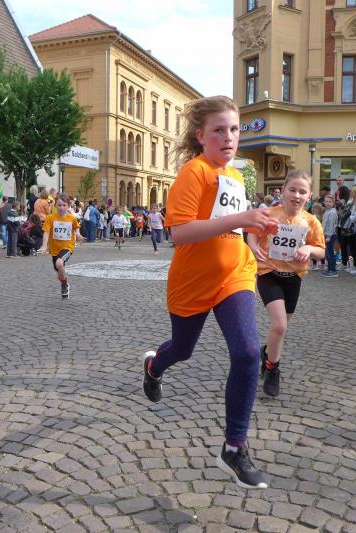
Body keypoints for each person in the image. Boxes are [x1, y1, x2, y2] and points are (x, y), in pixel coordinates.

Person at [140, 96, 277, 489]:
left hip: (235, 276)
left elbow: (233, 226)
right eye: (219, 130)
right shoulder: (194, 172)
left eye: (234, 129)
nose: (229, 137)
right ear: (201, 136)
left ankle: (234, 447)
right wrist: (241, 219)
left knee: (247, 352)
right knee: (182, 349)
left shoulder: (235, 176)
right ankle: (154, 367)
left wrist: (255, 236)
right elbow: (181, 232)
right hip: (193, 281)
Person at [247, 169, 325, 397]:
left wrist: (308, 249)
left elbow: (321, 251)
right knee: (280, 325)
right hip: (268, 273)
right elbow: (252, 233)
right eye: (292, 190)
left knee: (280, 329)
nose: (296, 195)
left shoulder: (311, 222)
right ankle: (273, 369)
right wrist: (254, 247)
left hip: (293, 279)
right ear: (282, 191)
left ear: (309, 195)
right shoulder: (268, 213)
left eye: (302, 191)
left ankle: (267, 353)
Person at [38, 194, 84, 299]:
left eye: (64, 205)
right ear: (55, 205)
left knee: (59, 263)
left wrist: (78, 235)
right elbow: (46, 232)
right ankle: (64, 282)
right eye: (59, 205)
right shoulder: (50, 218)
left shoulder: (71, 218)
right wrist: (44, 246)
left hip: (67, 247)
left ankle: (64, 285)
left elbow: (76, 228)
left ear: (68, 206)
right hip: (54, 249)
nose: (61, 207)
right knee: (59, 269)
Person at [321, 195, 338, 277]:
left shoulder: (332, 213)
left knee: (330, 253)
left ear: (333, 203)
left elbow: (331, 226)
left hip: (330, 236)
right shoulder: (327, 211)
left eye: (329, 202)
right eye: (326, 201)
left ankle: (333, 271)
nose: (327, 203)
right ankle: (329, 269)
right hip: (326, 234)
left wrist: (328, 237)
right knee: (328, 253)